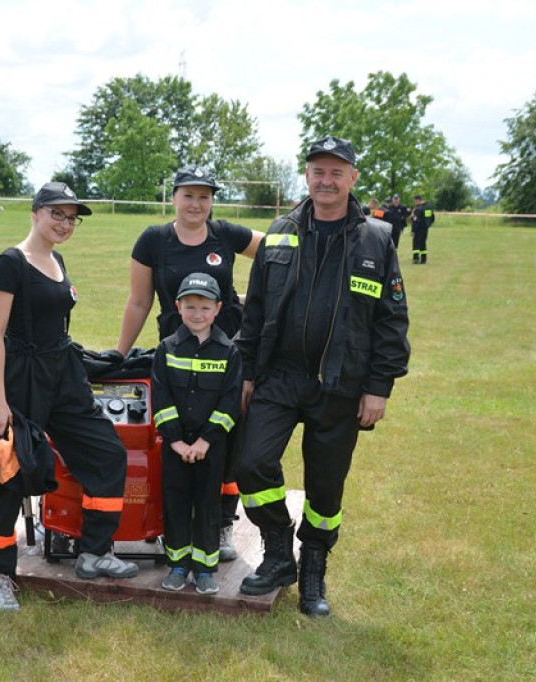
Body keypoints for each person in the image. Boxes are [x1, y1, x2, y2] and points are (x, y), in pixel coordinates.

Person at [234, 135, 411, 618]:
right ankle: (277, 554)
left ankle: (313, 568)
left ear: (352, 178)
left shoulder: (376, 238)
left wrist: (379, 387)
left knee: (326, 489)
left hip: (341, 382)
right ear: (307, 176)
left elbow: (391, 319)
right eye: (318, 171)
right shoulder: (281, 230)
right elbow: (256, 312)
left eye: (336, 172)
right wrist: (248, 373)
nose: (326, 180)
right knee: (250, 463)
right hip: (280, 377)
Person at [0, 182, 139, 610]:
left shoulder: (57, 260)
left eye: (72, 218)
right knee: (9, 473)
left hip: (63, 374)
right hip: (21, 378)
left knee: (106, 452)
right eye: (57, 214)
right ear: (35, 213)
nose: (66, 224)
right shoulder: (9, 263)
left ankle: (93, 552)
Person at [115, 165, 263, 562]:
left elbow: (277, 250)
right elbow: (140, 302)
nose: (196, 203)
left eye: (204, 196)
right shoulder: (153, 240)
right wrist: (120, 354)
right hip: (177, 356)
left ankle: (222, 525)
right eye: (188, 195)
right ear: (174, 196)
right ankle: (172, 524)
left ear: (212, 200)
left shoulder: (226, 234)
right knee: (175, 436)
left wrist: (256, 301)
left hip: (227, 353)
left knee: (226, 442)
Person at [151, 273, 242, 595]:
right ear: (178, 307)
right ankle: (178, 565)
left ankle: (204, 569)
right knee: (175, 502)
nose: (197, 314)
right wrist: (175, 441)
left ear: (217, 309)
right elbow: (161, 400)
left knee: (207, 506)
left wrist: (205, 441)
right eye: (190, 307)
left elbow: (230, 404)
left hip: (210, 447)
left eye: (204, 307)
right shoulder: (167, 349)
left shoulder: (228, 352)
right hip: (176, 447)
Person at [410, 194, 435, 264]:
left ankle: (416, 259)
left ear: (418, 200)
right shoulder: (429, 207)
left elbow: (415, 221)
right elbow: (432, 218)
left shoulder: (418, 209)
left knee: (416, 244)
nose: (414, 203)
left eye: (415, 201)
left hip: (418, 229)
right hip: (425, 228)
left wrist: (413, 230)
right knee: (423, 243)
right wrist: (428, 225)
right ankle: (424, 259)